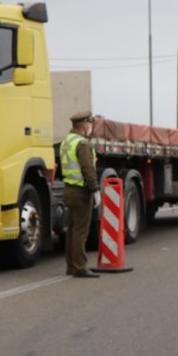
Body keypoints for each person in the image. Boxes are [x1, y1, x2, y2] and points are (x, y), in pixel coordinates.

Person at [61, 110, 102, 278]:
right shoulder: (82, 144)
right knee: (80, 231)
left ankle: (71, 265)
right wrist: (95, 190)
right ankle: (80, 267)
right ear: (84, 125)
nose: (91, 127)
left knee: (71, 230)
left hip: (68, 189)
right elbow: (87, 169)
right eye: (90, 124)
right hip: (80, 191)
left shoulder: (67, 141)